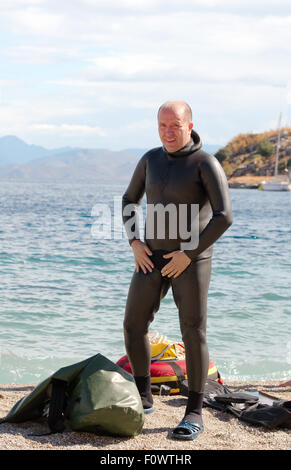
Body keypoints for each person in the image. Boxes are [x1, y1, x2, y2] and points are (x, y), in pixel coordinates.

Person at [122, 101, 233, 440]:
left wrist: (189, 252)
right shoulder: (150, 160)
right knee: (133, 324)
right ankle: (144, 396)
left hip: (191, 260)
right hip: (151, 257)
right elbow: (129, 199)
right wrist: (135, 242)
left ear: (189, 125)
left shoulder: (205, 163)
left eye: (175, 125)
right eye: (162, 126)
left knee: (193, 330)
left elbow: (223, 216)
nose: (168, 132)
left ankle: (194, 412)